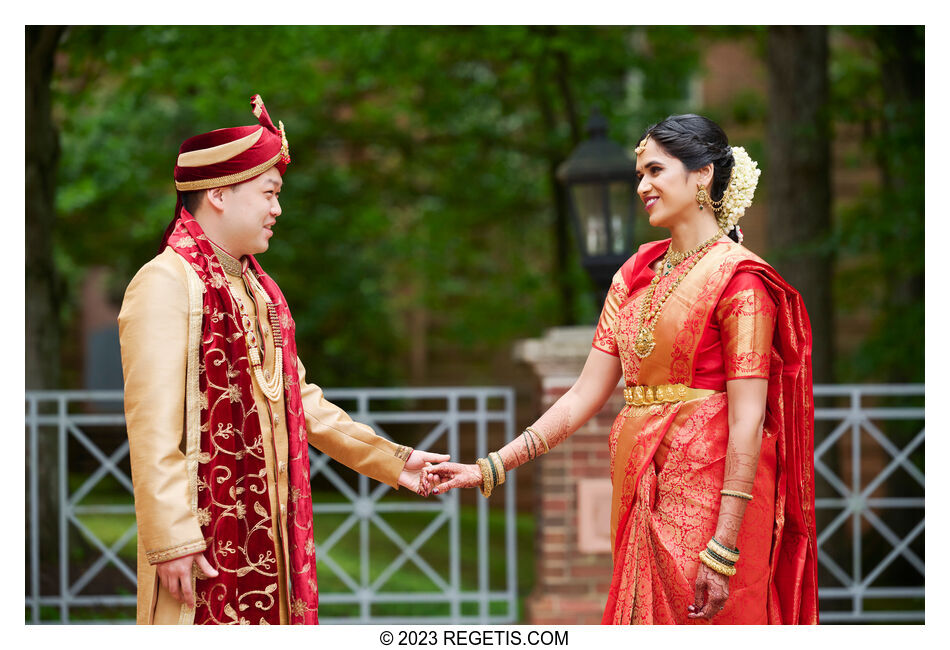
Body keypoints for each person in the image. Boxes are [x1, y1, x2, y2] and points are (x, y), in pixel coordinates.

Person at [426, 114, 818, 624]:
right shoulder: (634, 277)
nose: (642, 186)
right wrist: (492, 466)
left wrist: (723, 546)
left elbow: (749, 421)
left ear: (702, 174)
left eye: (655, 170)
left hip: (710, 500)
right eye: (639, 174)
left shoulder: (741, 282)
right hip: (639, 479)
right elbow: (581, 395)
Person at [119, 94, 446, 625]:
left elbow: (297, 399)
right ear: (220, 193)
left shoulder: (257, 290)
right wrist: (172, 536)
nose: (278, 209)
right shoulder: (164, 283)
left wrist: (394, 460)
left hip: (272, 538)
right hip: (203, 544)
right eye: (269, 193)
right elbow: (151, 428)